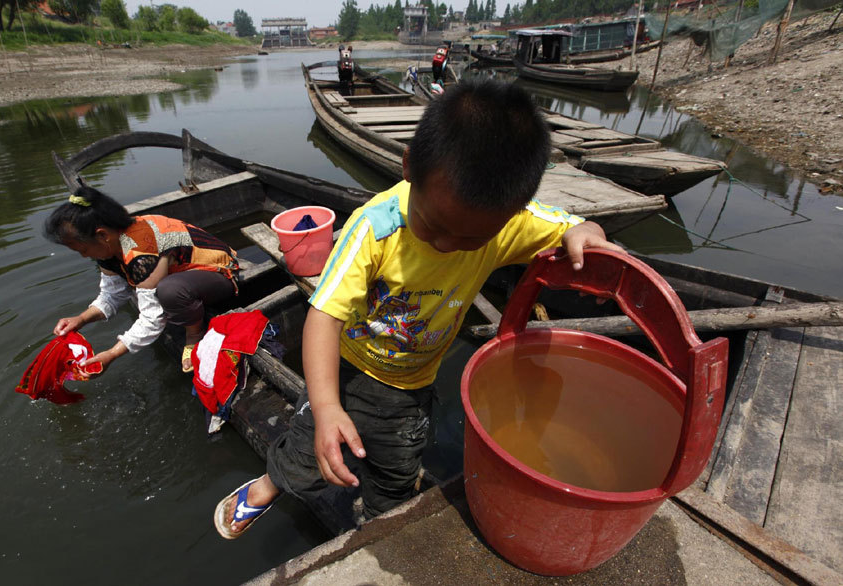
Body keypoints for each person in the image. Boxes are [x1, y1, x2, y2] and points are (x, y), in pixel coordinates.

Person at [213, 79, 625, 539]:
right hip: (348, 369)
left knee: (397, 467)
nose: (449, 246)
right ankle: (272, 482)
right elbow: (323, 317)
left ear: (510, 215)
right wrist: (327, 407)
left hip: (413, 384)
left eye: (471, 240)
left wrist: (587, 232)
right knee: (309, 452)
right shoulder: (375, 228)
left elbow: (573, 227)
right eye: (435, 226)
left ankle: (379, 520)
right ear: (410, 166)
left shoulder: (508, 224)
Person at [44, 185, 241, 374]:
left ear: (102, 235)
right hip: (183, 276)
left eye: (83, 250)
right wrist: (81, 319)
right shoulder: (110, 248)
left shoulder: (140, 254)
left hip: (220, 273)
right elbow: (112, 295)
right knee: (162, 289)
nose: (84, 256)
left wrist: (112, 354)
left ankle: (194, 334)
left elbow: (151, 319)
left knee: (169, 291)